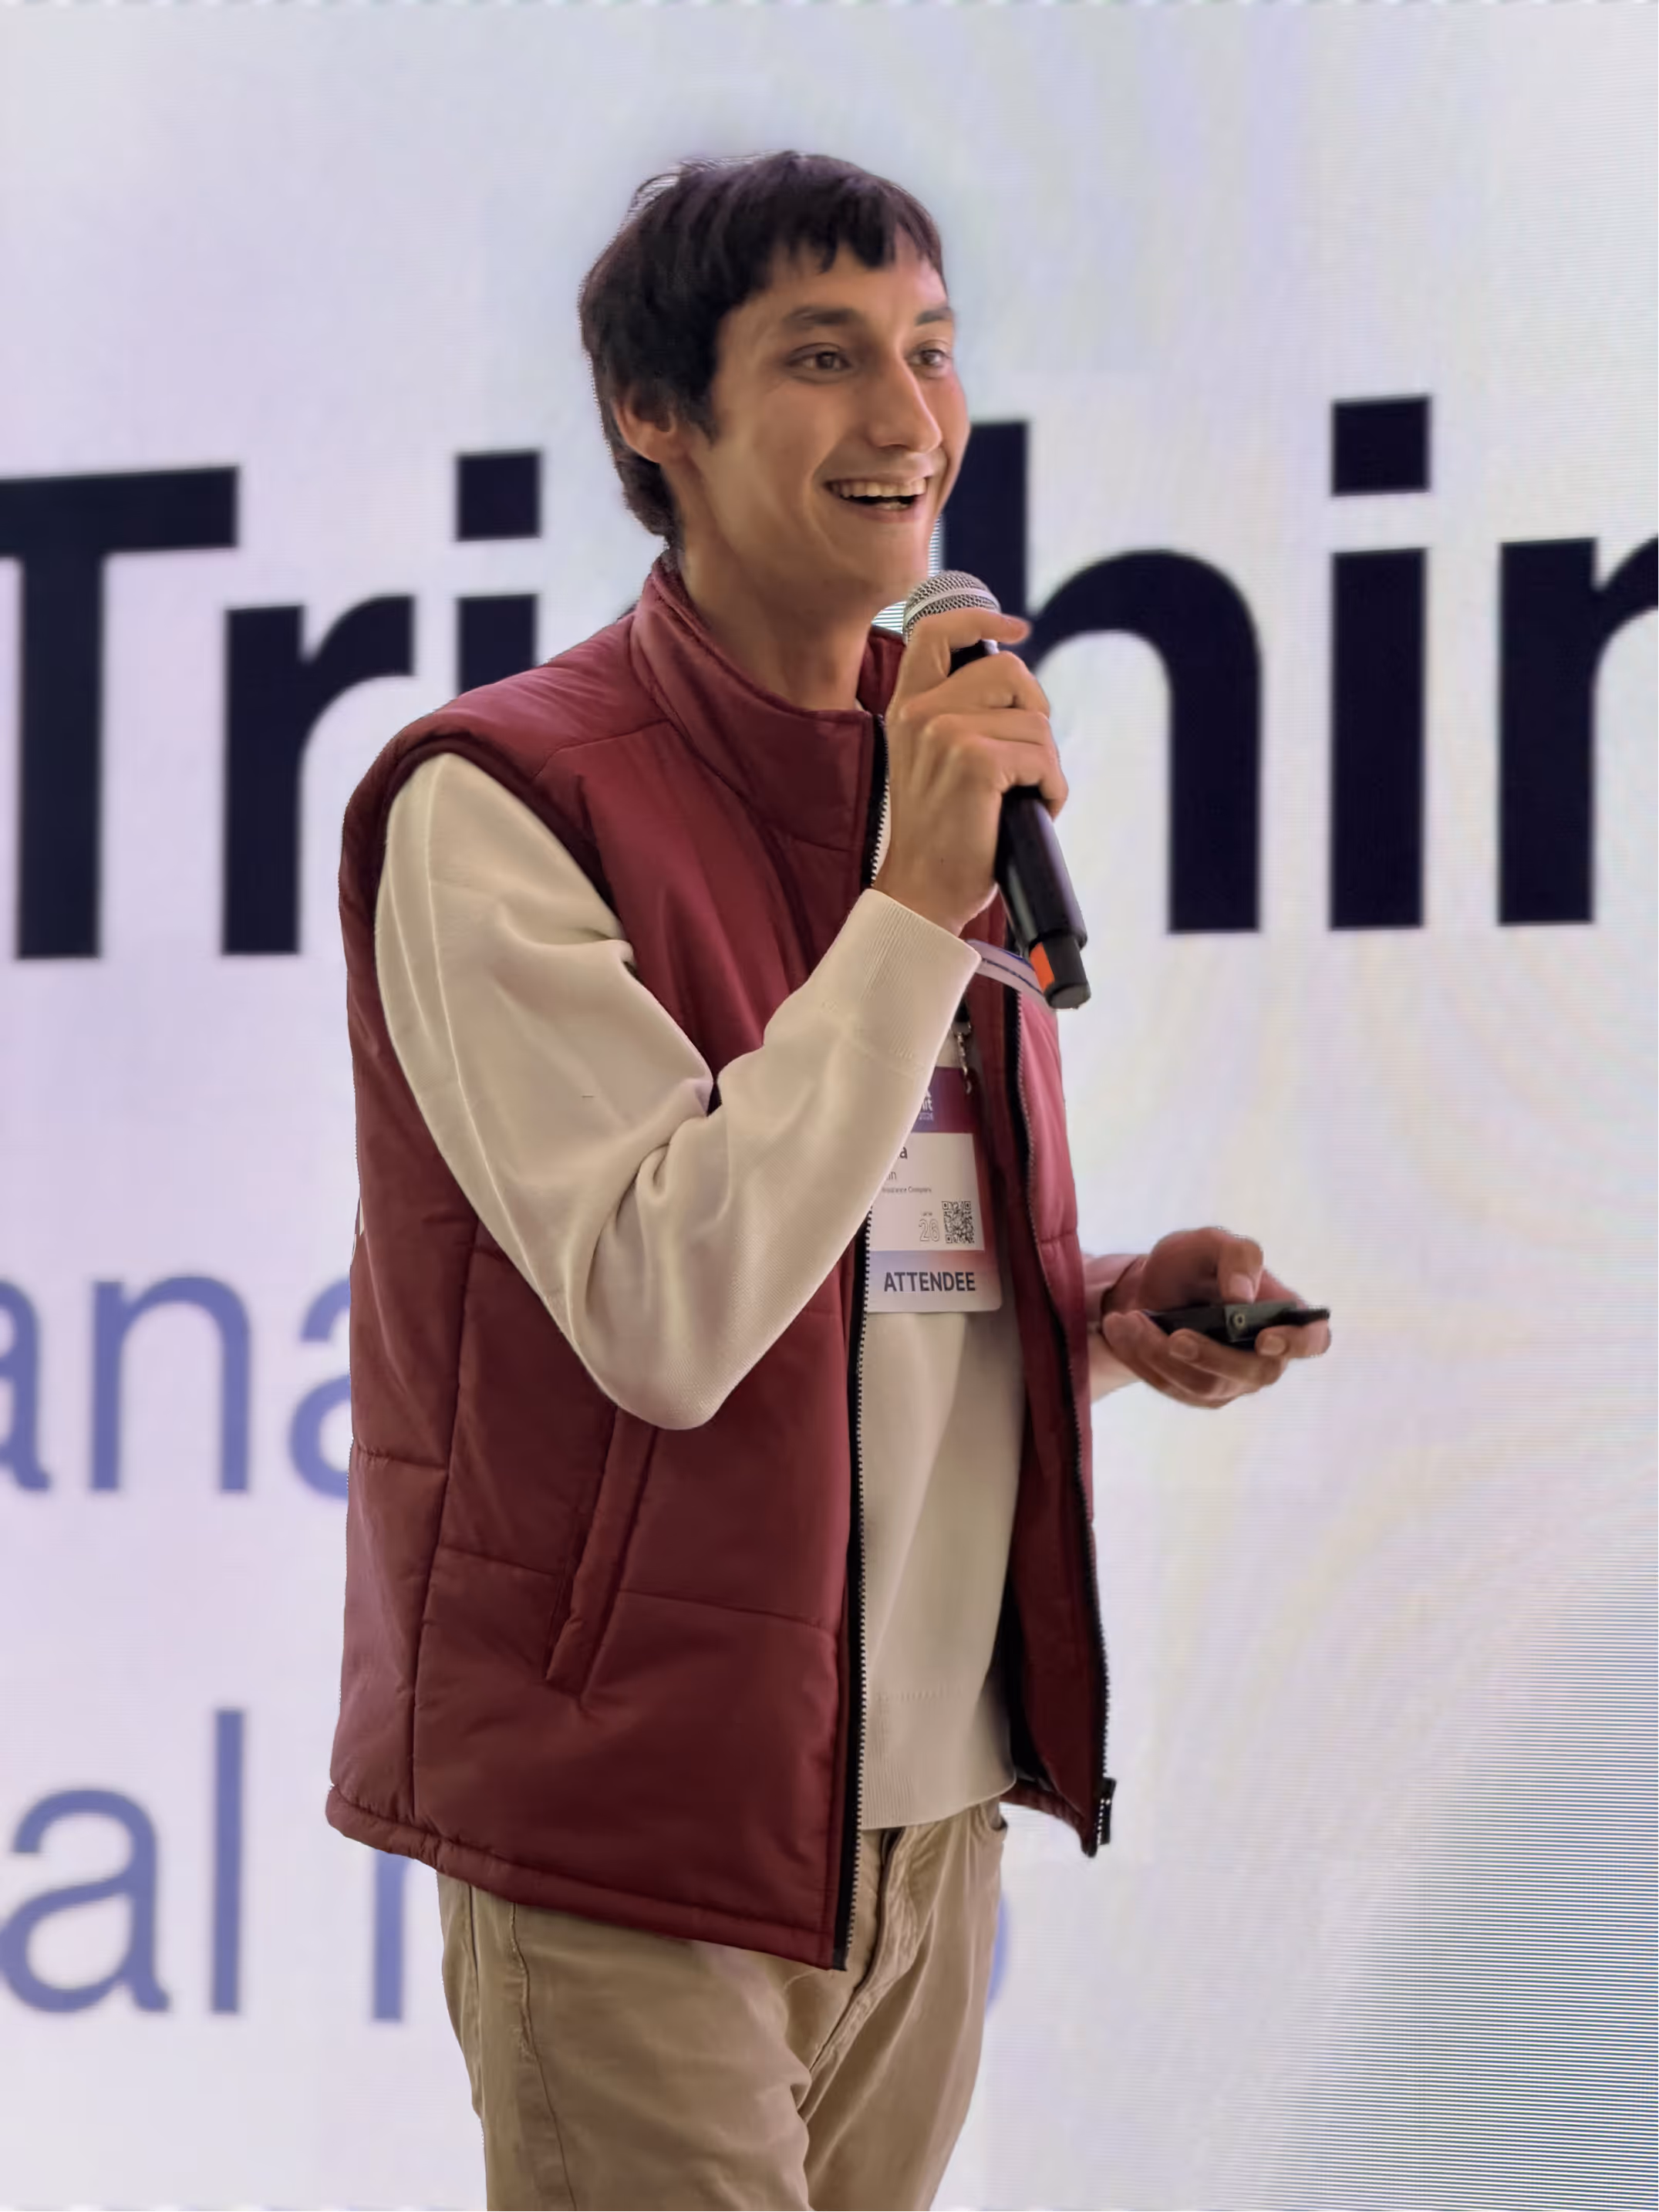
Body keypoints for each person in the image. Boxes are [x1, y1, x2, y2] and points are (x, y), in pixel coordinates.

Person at [325, 152, 1330, 2211]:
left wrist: (1094, 1315)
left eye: (929, 351)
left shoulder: (929, 771)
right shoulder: (499, 798)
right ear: (654, 417)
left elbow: (864, 1257)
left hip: (926, 1807)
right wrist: (910, 904)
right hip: (641, 1819)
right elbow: (668, 1309)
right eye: (820, 358)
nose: (907, 418)